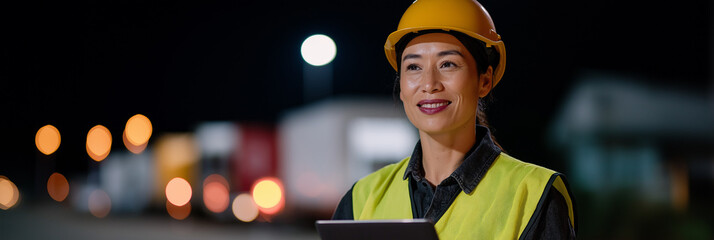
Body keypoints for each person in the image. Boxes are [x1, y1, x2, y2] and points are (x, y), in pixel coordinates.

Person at [331, 0, 576, 239]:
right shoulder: (361, 199)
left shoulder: (534, 193)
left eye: (448, 64)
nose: (429, 84)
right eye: (414, 67)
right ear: (402, 89)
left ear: (484, 81)